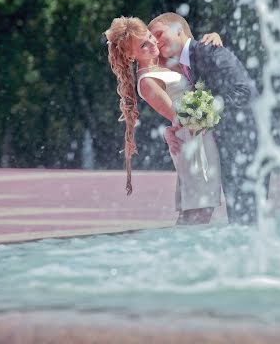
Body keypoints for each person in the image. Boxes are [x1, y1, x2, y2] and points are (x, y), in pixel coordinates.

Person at [105, 16, 223, 225]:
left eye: (150, 36)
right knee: (198, 209)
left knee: (201, 207)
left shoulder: (162, 60)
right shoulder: (147, 81)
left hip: (198, 136)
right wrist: (171, 130)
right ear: (130, 55)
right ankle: (180, 252)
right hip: (190, 141)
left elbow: (192, 58)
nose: (153, 44)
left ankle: (182, 252)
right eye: (143, 45)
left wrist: (212, 40)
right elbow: (178, 116)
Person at [148, 12, 259, 226]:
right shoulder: (184, 64)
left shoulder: (208, 50)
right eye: (153, 39)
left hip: (244, 144)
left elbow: (244, 91)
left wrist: (206, 112)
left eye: (160, 34)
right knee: (238, 219)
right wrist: (173, 127)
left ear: (179, 29)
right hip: (223, 148)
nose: (157, 42)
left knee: (247, 216)